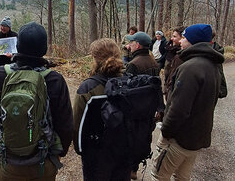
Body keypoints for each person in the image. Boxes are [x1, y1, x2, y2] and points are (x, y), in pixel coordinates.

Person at [0, 22, 73, 180]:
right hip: (42, 162)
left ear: (17, 46)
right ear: (44, 49)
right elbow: (66, 125)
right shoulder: (55, 80)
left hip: (8, 162)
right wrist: (59, 152)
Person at [151, 24, 224, 181]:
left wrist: (166, 131)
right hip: (197, 137)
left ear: (193, 41)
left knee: (159, 176)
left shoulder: (190, 68)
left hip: (179, 138)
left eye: (184, 37)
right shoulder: (213, 65)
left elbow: (179, 108)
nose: (180, 40)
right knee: (182, 177)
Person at [73, 38, 130, 180]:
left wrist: (81, 150)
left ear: (95, 59)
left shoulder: (88, 88)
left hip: (96, 155)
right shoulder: (129, 82)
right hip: (124, 151)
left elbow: (78, 126)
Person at [125, 31, 164, 180]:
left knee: (130, 139)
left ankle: (129, 170)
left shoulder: (133, 64)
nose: (129, 46)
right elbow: (157, 87)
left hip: (134, 110)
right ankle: (135, 168)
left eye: (131, 43)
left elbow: (128, 90)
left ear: (138, 45)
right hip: (148, 110)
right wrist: (160, 108)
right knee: (143, 138)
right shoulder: (154, 62)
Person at [163, 26, 185, 96]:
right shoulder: (171, 51)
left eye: (175, 36)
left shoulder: (181, 56)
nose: (172, 38)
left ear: (183, 38)